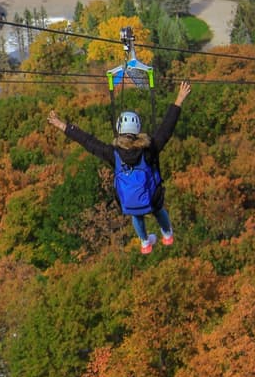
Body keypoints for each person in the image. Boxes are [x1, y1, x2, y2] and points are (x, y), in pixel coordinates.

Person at [47, 81, 192, 254]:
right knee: (158, 208)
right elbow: (166, 129)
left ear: (119, 129)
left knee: (136, 213)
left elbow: (87, 141)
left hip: (129, 201)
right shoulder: (149, 149)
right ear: (137, 129)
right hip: (152, 197)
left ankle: (145, 242)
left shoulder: (113, 154)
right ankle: (167, 234)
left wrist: (61, 125)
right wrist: (179, 100)